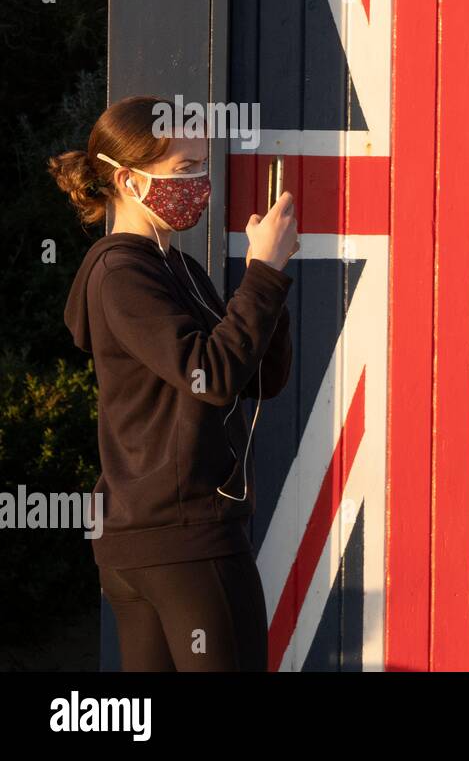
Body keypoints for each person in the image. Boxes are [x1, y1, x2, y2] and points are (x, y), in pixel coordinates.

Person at [48, 94, 299, 671]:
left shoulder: (176, 268)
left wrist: (271, 281)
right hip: (183, 540)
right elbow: (211, 377)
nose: (199, 183)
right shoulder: (121, 273)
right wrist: (261, 276)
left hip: (156, 539)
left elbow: (258, 377)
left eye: (202, 165)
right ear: (127, 181)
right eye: (183, 169)